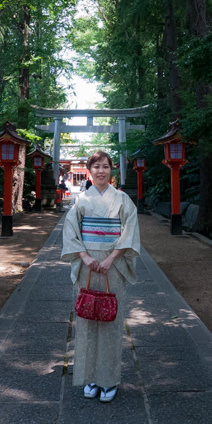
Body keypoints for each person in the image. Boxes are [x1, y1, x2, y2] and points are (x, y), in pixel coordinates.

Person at [61, 150, 141, 403]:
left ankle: (108, 380)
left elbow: (129, 232)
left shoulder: (123, 199)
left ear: (111, 170)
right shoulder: (82, 199)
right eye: (96, 167)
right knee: (86, 320)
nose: (101, 171)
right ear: (89, 170)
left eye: (105, 166)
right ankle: (90, 378)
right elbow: (71, 230)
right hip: (87, 264)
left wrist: (109, 259)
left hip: (112, 266)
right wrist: (85, 257)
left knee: (109, 321)